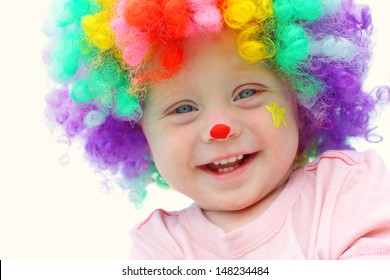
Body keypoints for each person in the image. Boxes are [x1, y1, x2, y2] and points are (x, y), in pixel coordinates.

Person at [45, 0, 390, 259]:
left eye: (247, 93)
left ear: (300, 102)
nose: (219, 129)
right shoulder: (160, 248)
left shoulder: (346, 191)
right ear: (140, 135)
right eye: (182, 108)